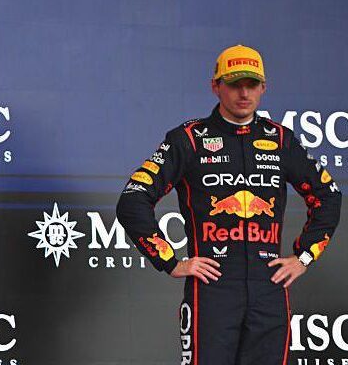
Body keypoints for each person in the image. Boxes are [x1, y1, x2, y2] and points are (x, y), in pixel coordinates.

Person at [116, 44, 341, 364]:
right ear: (215, 86)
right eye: (235, 84)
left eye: (252, 84)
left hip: (269, 289)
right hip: (212, 291)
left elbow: (328, 195)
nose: (244, 93)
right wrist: (170, 260)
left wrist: (303, 257)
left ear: (264, 88)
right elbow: (133, 199)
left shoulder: (281, 140)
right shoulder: (189, 139)